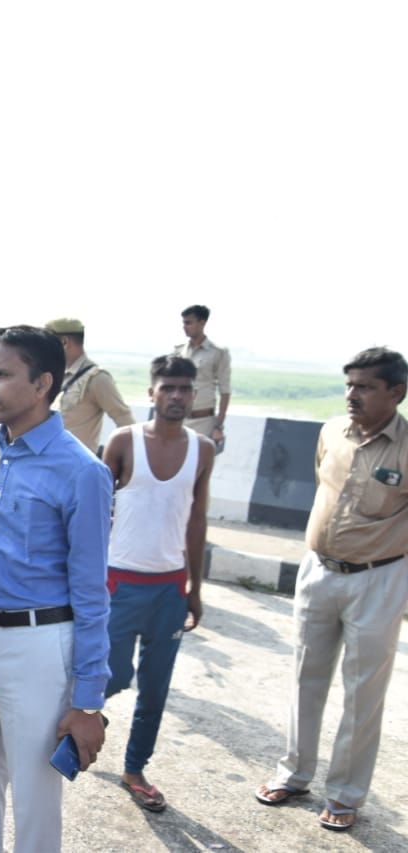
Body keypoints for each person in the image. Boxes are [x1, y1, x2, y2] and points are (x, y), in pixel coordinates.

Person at [0, 324, 111, 853]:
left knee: (35, 790)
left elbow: (92, 594)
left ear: (43, 384)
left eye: (2, 374)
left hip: (39, 644)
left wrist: (87, 702)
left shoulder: (81, 471)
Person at [256, 347, 408, 832]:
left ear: (396, 393)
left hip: (379, 578)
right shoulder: (331, 432)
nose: (352, 394)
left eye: (365, 386)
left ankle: (344, 795)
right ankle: (293, 774)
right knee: (306, 677)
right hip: (318, 570)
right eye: (349, 384)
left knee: (363, 694)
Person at [101, 355, 213, 814]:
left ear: (194, 395)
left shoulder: (203, 450)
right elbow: (94, 510)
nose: (177, 396)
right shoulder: (124, 442)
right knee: (112, 674)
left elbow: (197, 521)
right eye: (168, 387)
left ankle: (135, 770)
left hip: (169, 589)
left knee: (155, 689)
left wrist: (194, 589)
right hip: (118, 583)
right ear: (152, 392)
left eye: (185, 389)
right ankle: (69, 722)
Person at [46, 317, 135, 452]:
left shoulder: (97, 378)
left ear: (64, 342)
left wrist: (120, 457)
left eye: (48, 342)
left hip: (77, 461)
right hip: (50, 458)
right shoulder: (57, 374)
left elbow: (124, 420)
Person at [174, 305, 230, 445]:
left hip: (203, 422)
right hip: (178, 419)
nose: (185, 327)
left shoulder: (218, 353)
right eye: (184, 323)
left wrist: (218, 427)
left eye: (189, 323)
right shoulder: (179, 351)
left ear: (202, 323)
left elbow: (225, 391)